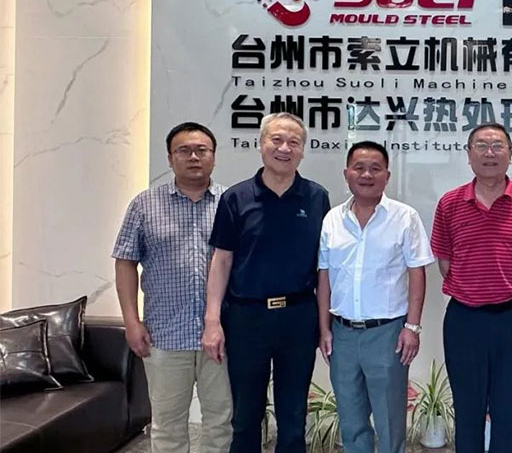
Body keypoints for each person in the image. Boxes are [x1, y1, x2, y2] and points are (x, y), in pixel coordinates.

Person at [201, 112, 330, 453]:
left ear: (303, 150)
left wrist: (323, 325)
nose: (284, 148)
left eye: (293, 142)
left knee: (294, 413)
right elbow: (221, 261)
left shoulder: (317, 197)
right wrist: (212, 321)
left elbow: (324, 268)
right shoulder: (236, 198)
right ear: (260, 145)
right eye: (276, 140)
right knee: (245, 414)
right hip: (247, 317)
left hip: (298, 316)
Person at [112, 122, 231, 453]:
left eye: (201, 150)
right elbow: (125, 262)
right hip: (164, 333)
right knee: (167, 424)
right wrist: (131, 322)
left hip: (222, 335)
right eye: (184, 151)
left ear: (213, 156)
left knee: (221, 421)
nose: (193, 157)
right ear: (169, 158)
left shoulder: (231, 202)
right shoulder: (144, 204)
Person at [431, 123, 512, 453]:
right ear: (468, 155)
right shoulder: (450, 203)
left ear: (511, 154)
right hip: (464, 319)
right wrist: (474, 289)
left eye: (498, 146)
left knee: (507, 407)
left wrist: (501, 287)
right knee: (467, 408)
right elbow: (445, 261)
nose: (490, 153)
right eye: (481, 146)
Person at [316, 140, 434, 453]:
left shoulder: (404, 217)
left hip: (388, 334)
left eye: (375, 168)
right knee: (350, 419)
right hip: (342, 334)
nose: (366, 175)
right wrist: (324, 328)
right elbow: (324, 276)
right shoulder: (332, 219)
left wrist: (412, 327)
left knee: (389, 420)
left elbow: (417, 273)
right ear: (346, 173)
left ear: (387, 176)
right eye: (359, 168)